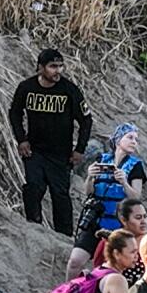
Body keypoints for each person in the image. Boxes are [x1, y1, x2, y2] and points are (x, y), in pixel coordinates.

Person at [10, 49, 93, 235]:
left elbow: (86, 120)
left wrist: (79, 149)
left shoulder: (69, 90)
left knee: (60, 195)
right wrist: (21, 139)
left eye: (60, 66)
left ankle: (64, 237)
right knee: (33, 187)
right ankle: (33, 229)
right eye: (52, 66)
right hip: (35, 151)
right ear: (40, 68)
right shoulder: (26, 88)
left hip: (60, 154)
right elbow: (15, 112)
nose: (58, 71)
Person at [68, 124, 147, 278]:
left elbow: (136, 198)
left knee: (107, 269)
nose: (134, 142)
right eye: (130, 138)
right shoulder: (102, 159)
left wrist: (124, 182)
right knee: (74, 261)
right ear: (118, 140)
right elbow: (88, 192)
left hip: (119, 225)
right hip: (96, 220)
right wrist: (90, 176)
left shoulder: (136, 166)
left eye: (136, 139)